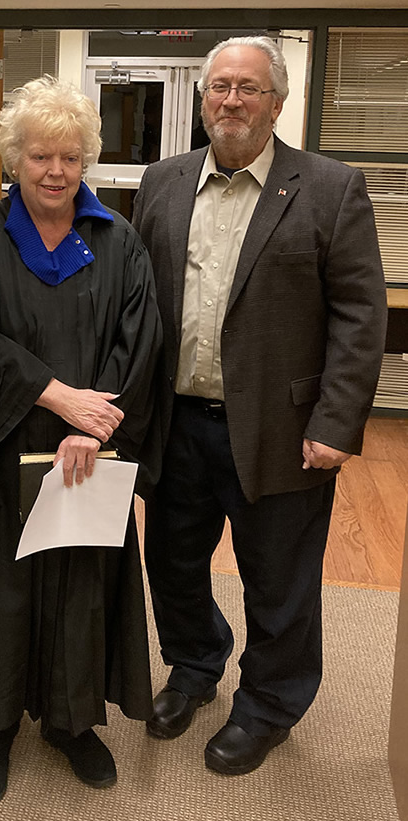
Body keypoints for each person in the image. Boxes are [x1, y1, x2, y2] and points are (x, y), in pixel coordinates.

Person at [132, 36, 387, 776]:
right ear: (202, 98)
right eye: (219, 87)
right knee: (172, 565)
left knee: (277, 579)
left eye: (248, 88)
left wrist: (335, 423)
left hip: (281, 430)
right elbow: (139, 300)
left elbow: (357, 316)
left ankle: (268, 704)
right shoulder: (162, 180)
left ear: (277, 101)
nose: (231, 100)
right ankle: (192, 663)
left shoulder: (330, 187)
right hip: (176, 421)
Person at [0, 75, 162, 805]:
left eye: (68, 155)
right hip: (2, 448)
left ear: (85, 158)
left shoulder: (117, 242)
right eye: (39, 156)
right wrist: (57, 396)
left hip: (88, 456)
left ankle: (70, 722)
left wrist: (96, 425)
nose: (54, 171)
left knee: (81, 587)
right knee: (1, 588)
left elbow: (140, 341)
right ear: (13, 159)